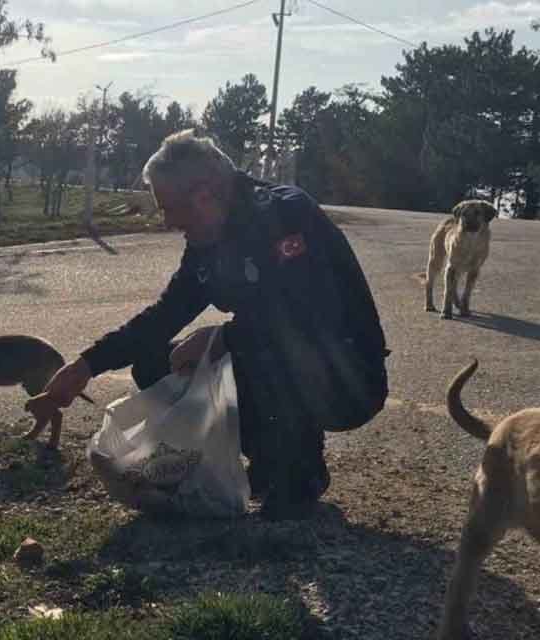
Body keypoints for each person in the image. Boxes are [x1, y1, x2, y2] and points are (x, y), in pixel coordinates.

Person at [28, 130, 389, 520]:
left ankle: (299, 474)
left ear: (203, 196)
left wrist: (222, 337)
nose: (166, 222)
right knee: (156, 361)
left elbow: (307, 314)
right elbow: (164, 316)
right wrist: (85, 367)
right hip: (283, 357)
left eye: (168, 208)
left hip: (347, 378)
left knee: (263, 353)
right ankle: (267, 461)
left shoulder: (284, 215)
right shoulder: (207, 240)